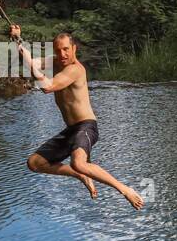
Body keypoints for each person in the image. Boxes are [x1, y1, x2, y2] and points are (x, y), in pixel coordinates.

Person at [11, 25, 145, 210]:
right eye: (58, 51)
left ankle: (124, 189)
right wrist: (17, 39)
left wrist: (31, 65)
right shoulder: (55, 62)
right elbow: (31, 62)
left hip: (86, 127)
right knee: (34, 163)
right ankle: (79, 175)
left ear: (74, 49)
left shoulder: (76, 70)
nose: (63, 54)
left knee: (78, 163)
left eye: (66, 49)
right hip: (71, 130)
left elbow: (47, 87)